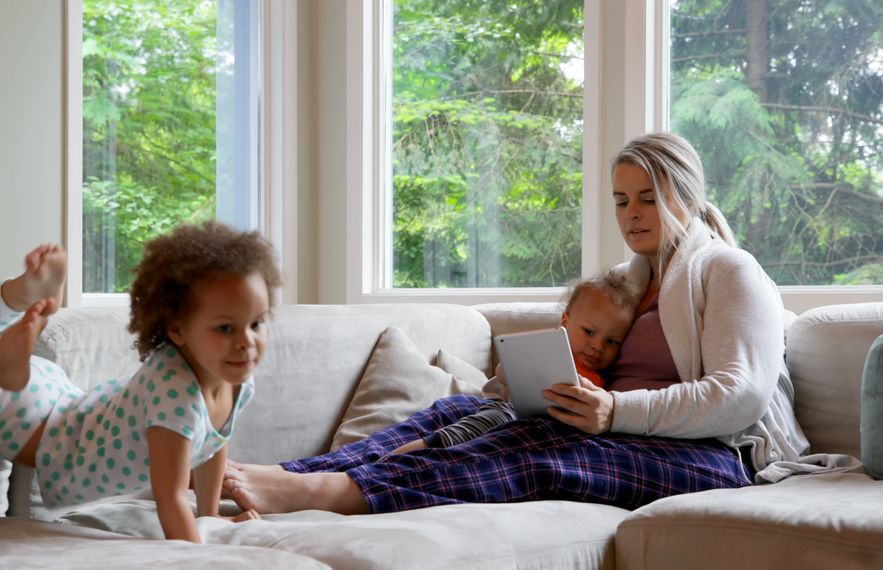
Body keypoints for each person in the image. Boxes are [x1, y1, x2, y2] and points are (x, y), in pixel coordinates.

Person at [219, 131, 812, 516]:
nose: (630, 214)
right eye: (620, 199)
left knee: (536, 447)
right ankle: (290, 473)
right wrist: (522, 389)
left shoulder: (730, 272)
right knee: (457, 412)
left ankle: (325, 495)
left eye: (647, 198)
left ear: (685, 195)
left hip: (712, 456)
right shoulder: (625, 282)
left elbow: (740, 396)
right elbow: (590, 364)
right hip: (616, 428)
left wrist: (613, 413)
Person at [0, 221, 282, 543]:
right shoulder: (175, 396)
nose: (246, 342)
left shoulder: (232, 379)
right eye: (226, 328)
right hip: (28, 419)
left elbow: (212, 445)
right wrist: (199, 558)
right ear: (176, 329)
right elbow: (171, 497)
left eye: (257, 323)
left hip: (49, 395)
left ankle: (19, 297)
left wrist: (209, 519)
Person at [387, 270, 640, 455]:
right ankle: (403, 455)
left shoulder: (606, 379)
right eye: (589, 332)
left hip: (545, 429)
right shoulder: (548, 348)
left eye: (612, 342)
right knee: (473, 427)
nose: (598, 346)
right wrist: (513, 374)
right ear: (565, 322)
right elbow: (502, 372)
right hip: (508, 410)